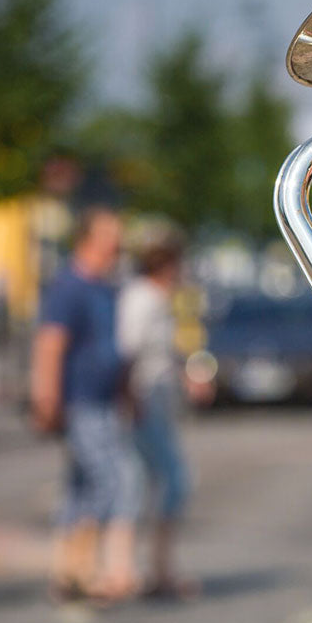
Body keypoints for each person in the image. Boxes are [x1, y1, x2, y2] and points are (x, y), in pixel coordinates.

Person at [31, 207, 139, 604]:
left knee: (80, 487)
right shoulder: (69, 287)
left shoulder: (104, 287)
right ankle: (82, 570)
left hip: (103, 400)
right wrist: (46, 398)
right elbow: (50, 345)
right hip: (80, 401)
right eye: (112, 235)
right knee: (105, 481)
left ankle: (66, 573)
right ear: (89, 240)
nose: (119, 243)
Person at [117, 223, 210, 600]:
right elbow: (127, 353)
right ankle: (152, 570)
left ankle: (151, 569)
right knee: (166, 481)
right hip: (144, 399)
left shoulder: (159, 298)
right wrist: (130, 400)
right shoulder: (142, 298)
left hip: (156, 398)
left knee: (148, 484)